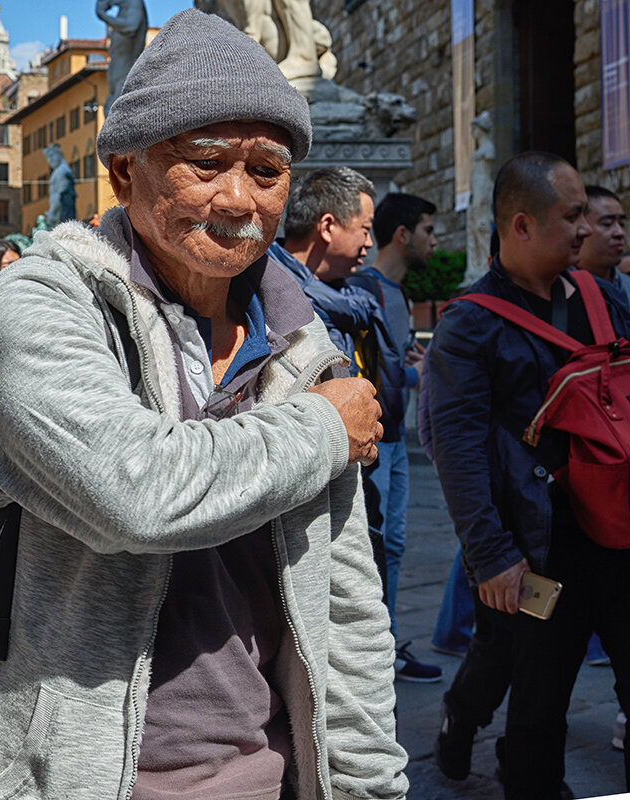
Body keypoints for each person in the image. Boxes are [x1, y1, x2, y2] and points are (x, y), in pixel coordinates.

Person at [0, 10, 405, 798]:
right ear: (124, 173)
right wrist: (323, 427)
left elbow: (348, 602)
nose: (239, 198)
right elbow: (136, 490)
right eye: (205, 163)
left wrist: (369, 783)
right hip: (79, 776)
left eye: (267, 171)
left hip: (267, 775)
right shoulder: (40, 303)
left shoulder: (308, 351)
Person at [429, 151, 630, 797]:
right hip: (540, 551)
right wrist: (490, 557)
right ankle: (470, 732)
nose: (586, 228)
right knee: (537, 704)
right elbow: (454, 446)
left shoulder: (605, 297)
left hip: (621, 530)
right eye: (572, 216)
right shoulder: (470, 324)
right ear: (521, 225)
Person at [269, 168, 440, 683]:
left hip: (359, 460)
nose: (370, 240)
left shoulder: (343, 295)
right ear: (327, 226)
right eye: (363, 228)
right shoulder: (278, 294)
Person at [345, 192, 442, 682]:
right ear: (402, 235)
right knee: (377, 543)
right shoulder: (364, 290)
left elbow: (397, 365)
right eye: (428, 230)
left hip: (396, 440)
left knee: (395, 543)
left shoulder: (398, 295)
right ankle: (374, 648)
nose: (434, 240)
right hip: (374, 441)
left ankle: (388, 638)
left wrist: (418, 373)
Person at [576, 185, 630, 308]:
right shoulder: (560, 291)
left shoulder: (626, 286)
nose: (620, 233)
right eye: (607, 224)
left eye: (621, 224)